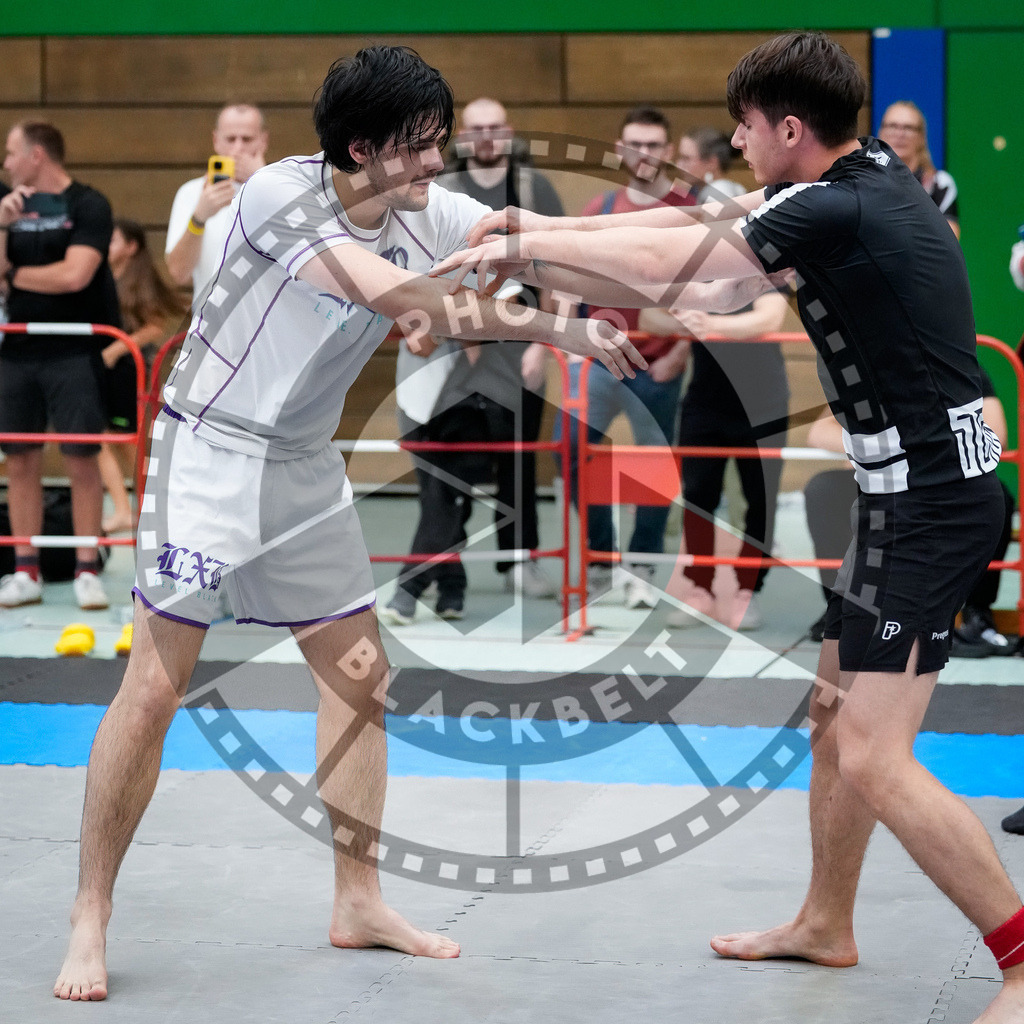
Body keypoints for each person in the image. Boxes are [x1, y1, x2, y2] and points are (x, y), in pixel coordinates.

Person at [435, 32, 1024, 1023]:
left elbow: (686, 256)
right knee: (833, 722)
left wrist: (525, 241)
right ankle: (826, 922)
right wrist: (530, 238)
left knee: (876, 753)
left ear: (789, 129)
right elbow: (697, 278)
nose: (741, 146)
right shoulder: (858, 179)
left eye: (749, 129)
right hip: (906, 499)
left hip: (930, 505)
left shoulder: (838, 202)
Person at [52, 45, 641, 1002]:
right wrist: (548, 327)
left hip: (302, 464)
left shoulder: (425, 203)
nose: (436, 162)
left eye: (441, 141)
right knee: (155, 689)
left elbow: (520, 244)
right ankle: (89, 914)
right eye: (419, 146)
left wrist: (684, 251)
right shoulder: (278, 200)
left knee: (361, 674)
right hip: (209, 451)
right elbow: (399, 297)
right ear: (360, 150)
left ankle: (357, 899)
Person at [383, 97, 564, 623]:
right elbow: (423, 282)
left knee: (514, 466)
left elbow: (549, 274)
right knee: (443, 478)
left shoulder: (532, 190)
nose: (485, 137)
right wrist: (446, 326)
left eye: (495, 128)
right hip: (444, 367)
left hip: (509, 361)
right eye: (475, 128)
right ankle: (445, 582)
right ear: (461, 137)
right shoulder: (439, 198)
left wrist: (543, 345)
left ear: (509, 132)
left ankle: (514, 561)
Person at [557, 105, 694, 610]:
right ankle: (599, 560)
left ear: (669, 152)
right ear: (620, 150)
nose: (645, 154)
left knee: (653, 466)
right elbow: (569, 275)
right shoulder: (601, 207)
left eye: (655, 145)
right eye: (636, 144)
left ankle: (643, 565)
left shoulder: (687, 210)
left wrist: (682, 350)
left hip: (656, 364)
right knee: (570, 449)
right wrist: (570, 344)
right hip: (599, 359)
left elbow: (707, 288)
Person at [0, 121, 119, 611]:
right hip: (15, 350)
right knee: (20, 461)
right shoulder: (5, 207)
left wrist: (13, 273)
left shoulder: (87, 204)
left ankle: (86, 568)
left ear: (37, 155)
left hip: (74, 349)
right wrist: (2, 229)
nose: (5, 163)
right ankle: (25, 568)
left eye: (11, 153)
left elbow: (75, 275)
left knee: (80, 459)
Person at [802, 384, 1015, 657]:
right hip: (882, 478)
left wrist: (917, 448)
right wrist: (886, 449)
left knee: (995, 498)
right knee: (823, 490)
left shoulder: (954, 362)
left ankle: (977, 612)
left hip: (942, 476)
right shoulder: (869, 365)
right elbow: (818, 431)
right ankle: (843, 604)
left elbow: (997, 432)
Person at [641, 283, 789, 631]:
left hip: (762, 405)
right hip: (705, 404)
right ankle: (700, 589)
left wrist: (708, 324)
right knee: (697, 497)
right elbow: (649, 317)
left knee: (760, 500)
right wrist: (688, 325)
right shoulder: (699, 279)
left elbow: (768, 319)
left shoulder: (760, 275)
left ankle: (747, 591)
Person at [98, 218, 186, 533]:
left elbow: (155, 328)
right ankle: (131, 510)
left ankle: (150, 508)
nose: (105, 245)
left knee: (125, 443)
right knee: (106, 440)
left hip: (129, 372)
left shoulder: (140, 280)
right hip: (105, 373)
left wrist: (117, 350)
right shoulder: (102, 276)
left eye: (113, 240)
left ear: (131, 246)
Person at [164, 104, 269, 296]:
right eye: (230, 139)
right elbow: (178, 274)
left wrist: (263, 182)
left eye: (247, 139)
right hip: (214, 322)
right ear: (216, 141)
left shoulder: (280, 188)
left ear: (263, 141)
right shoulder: (191, 192)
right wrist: (199, 218)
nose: (238, 148)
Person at [878, 100, 960, 238]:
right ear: (881, 132)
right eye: (892, 126)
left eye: (908, 128)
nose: (900, 134)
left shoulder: (939, 184)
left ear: (921, 136)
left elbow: (950, 239)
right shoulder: (865, 178)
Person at [676, 126, 747, 204]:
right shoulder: (731, 188)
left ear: (711, 163)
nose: (679, 165)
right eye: (680, 158)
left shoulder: (717, 194)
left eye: (686, 159)